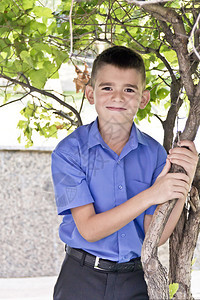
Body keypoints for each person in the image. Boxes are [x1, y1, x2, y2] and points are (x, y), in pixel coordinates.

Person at [51, 46, 198, 300]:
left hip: (136, 280)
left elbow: (158, 235)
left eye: (129, 90)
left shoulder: (154, 155)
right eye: (107, 88)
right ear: (90, 94)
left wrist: (183, 179)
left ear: (143, 99)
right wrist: (152, 195)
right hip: (81, 277)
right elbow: (89, 229)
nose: (118, 97)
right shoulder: (69, 152)